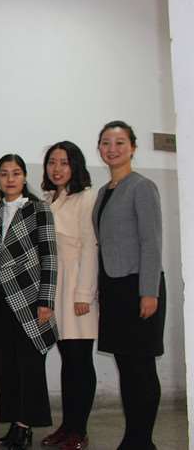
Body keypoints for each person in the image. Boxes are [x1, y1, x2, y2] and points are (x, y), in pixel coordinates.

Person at [94, 121, 165, 450]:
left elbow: (151, 242)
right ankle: (132, 438)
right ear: (99, 149)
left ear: (133, 148)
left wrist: (149, 292)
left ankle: (142, 441)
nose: (112, 149)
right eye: (106, 143)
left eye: (120, 142)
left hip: (139, 286)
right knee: (126, 366)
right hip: (114, 288)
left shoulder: (142, 187)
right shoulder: (103, 192)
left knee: (141, 367)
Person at [0, 154, 58, 450]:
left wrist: (46, 299)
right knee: (5, 365)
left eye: (16, 173)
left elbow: (50, 255)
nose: (10, 179)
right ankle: (13, 423)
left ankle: (25, 427)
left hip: (30, 298)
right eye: (4, 173)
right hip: (1, 299)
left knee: (29, 365)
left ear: (25, 177)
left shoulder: (39, 209)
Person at [40, 142, 98, 450]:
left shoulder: (86, 198)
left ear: (75, 165)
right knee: (67, 359)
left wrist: (84, 293)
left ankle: (80, 430)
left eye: (64, 162)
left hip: (76, 286)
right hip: (55, 288)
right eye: (52, 162)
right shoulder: (48, 198)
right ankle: (67, 425)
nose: (57, 168)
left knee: (79, 360)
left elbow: (90, 247)